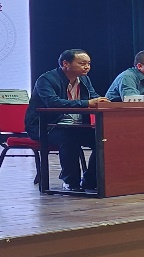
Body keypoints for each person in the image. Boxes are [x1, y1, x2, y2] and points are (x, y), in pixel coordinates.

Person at [25, 49, 108, 192]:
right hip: (47, 127)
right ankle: (70, 181)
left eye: (88, 64)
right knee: (69, 139)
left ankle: (90, 181)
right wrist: (87, 103)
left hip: (77, 126)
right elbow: (53, 102)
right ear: (65, 64)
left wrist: (102, 102)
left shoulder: (84, 79)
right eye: (82, 63)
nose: (87, 67)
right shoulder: (46, 79)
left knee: (103, 139)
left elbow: (93, 97)